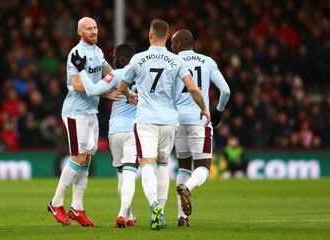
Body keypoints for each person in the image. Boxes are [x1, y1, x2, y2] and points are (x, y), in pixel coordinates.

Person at [117, 19, 210, 230]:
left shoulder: (138, 59)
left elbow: (122, 86)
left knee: (147, 164)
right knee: (162, 165)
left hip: (146, 120)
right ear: (167, 38)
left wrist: (130, 93)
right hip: (170, 121)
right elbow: (193, 89)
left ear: (150, 35)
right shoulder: (176, 61)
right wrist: (203, 108)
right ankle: (160, 210)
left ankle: (153, 206)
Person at [47, 17, 115, 227]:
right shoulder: (76, 54)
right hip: (75, 112)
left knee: (86, 159)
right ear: (79, 32)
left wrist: (124, 89)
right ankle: (56, 203)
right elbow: (77, 85)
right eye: (89, 29)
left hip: (91, 112)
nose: (94, 31)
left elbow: (110, 73)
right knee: (77, 157)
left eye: (95, 27)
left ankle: (77, 207)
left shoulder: (98, 52)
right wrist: (106, 93)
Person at [171, 29, 230, 227]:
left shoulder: (171, 62)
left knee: (184, 166)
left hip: (177, 121)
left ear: (179, 44)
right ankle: (187, 188)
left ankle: (182, 217)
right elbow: (225, 90)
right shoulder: (207, 62)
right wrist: (219, 111)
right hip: (199, 119)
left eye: (173, 43)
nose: (171, 47)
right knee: (203, 167)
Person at [105, 43, 138, 228]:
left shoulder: (116, 75)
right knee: (130, 175)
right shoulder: (142, 75)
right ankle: (121, 214)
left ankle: (129, 215)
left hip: (115, 131)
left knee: (121, 176)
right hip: (133, 131)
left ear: (123, 58)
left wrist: (108, 94)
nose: (113, 58)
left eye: (115, 55)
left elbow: (94, 89)